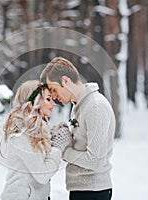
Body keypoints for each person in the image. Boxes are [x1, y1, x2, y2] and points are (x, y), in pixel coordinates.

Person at [40, 57, 116, 200]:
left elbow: (95, 161)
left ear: (65, 81)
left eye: (54, 90)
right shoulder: (79, 106)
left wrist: (65, 150)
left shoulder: (95, 106)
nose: (54, 97)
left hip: (93, 191)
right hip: (81, 189)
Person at [0, 80, 73, 200]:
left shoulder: (37, 131)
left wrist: (53, 139)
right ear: (35, 102)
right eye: (48, 99)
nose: (53, 104)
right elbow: (42, 174)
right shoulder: (21, 135)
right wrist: (58, 146)